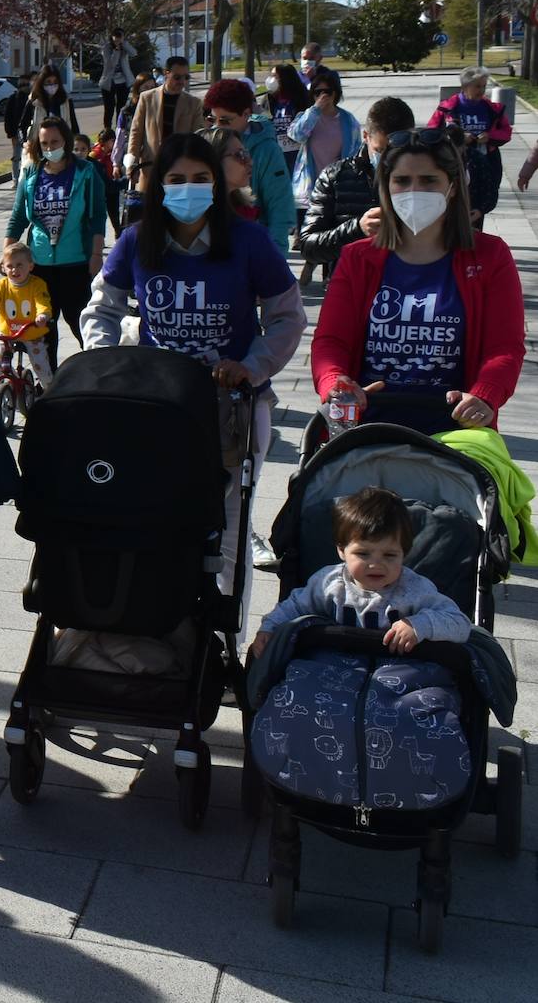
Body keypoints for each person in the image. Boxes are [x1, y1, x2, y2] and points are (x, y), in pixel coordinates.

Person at [81, 133, 306, 634]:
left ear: (218, 183)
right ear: (157, 184)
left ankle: (226, 637)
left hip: (235, 407)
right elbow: (101, 307)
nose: (189, 189)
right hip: (157, 405)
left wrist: (252, 365)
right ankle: (162, 625)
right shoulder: (137, 239)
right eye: (176, 179)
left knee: (227, 533)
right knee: (154, 519)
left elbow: (288, 317)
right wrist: (107, 364)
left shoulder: (249, 241)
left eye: (201, 179)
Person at [311, 127, 525, 436]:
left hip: (455, 430)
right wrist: (336, 383)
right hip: (367, 426)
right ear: (386, 186)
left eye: (428, 180)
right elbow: (331, 341)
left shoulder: (490, 256)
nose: (414, 191)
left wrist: (485, 395)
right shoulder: (357, 258)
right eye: (401, 180)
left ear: (452, 187)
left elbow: (504, 347)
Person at [249, 486, 471, 659]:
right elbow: (293, 607)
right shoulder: (328, 583)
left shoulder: (415, 589)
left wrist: (419, 625)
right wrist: (270, 629)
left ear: (405, 553)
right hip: (332, 668)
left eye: (390, 556)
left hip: (400, 671)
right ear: (342, 551)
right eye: (363, 554)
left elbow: (460, 624)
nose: (376, 564)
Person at [4, 114, 107, 371]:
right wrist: (7, 253)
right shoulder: (31, 173)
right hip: (38, 265)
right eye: (45, 143)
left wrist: (96, 255)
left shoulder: (86, 171)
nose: (50, 148)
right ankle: (47, 381)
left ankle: (96, 372)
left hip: (76, 263)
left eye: (55, 141)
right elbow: (18, 217)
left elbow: (96, 217)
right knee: (42, 327)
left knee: (80, 321)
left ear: (66, 141)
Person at [298, 97, 415, 280]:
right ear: (366, 136)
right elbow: (309, 248)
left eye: (398, 151)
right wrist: (357, 228)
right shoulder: (335, 176)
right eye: (381, 150)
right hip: (350, 287)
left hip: (409, 287)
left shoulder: (424, 179)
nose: (389, 160)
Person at [201, 78, 297, 253]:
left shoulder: (267, 150)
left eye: (224, 120)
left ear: (246, 114)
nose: (217, 127)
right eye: (212, 119)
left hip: (253, 247)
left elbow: (280, 207)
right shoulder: (204, 141)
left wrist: (274, 258)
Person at [427, 66, 513, 228]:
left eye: (484, 86)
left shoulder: (492, 109)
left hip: (485, 161)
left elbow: (506, 132)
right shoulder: (448, 107)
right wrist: (455, 137)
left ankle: (475, 235)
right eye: (478, 86)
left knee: (480, 200)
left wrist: (490, 137)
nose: (482, 90)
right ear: (465, 87)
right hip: (453, 162)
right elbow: (431, 132)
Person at [0, 241, 54, 392]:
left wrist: (43, 315)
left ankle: (51, 392)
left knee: (41, 366)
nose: (14, 269)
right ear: (3, 267)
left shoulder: (36, 284)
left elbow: (42, 301)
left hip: (31, 333)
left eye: (20, 265)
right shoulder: (2, 286)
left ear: (30, 266)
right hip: (7, 335)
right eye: (10, 266)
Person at [288, 73, 361, 222]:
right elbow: (296, 135)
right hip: (309, 187)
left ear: (335, 93)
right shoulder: (307, 116)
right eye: (317, 92)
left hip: (337, 187)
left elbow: (356, 152)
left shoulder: (348, 120)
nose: (322, 96)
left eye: (327, 92)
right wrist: (315, 110)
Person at [124, 56, 202, 194]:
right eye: (177, 77)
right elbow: (136, 133)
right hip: (150, 169)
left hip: (180, 172)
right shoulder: (147, 98)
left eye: (186, 77)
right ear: (166, 74)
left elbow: (198, 138)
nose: (182, 82)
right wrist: (131, 164)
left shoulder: (194, 103)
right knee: (147, 213)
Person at [198, 126, 257, 220]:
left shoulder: (244, 211)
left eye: (245, 153)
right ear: (214, 160)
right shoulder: (194, 218)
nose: (250, 162)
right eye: (239, 155)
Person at [20, 66, 80, 158]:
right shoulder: (34, 102)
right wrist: (25, 143)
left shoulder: (66, 101)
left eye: (55, 82)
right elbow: (23, 126)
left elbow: (73, 126)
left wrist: (76, 144)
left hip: (63, 150)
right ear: (41, 82)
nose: (52, 85)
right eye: (48, 82)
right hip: (38, 151)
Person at [264, 63, 312, 176]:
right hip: (277, 155)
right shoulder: (269, 100)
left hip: (299, 154)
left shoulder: (301, 99)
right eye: (271, 76)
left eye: (275, 76)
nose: (272, 80)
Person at [98, 30, 137, 129]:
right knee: (109, 108)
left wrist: (124, 44)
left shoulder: (125, 46)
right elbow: (111, 64)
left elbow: (134, 53)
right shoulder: (106, 48)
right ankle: (107, 131)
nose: (118, 38)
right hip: (109, 82)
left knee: (122, 108)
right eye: (116, 36)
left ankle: (120, 129)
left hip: (123, 81)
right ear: (112, 37)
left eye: (120, 36)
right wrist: (116, 50)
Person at [3, 75, 33, 184]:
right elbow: (8, 117)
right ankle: (15, 178)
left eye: (25, 85)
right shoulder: (13, 98)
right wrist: (11, 134)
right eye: (20, 85)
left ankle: (27, 177)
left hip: (29, 131)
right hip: (16, 132)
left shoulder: (31, 98)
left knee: (29, 155)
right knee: (16, 156)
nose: (23, 87)